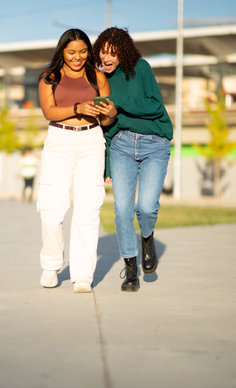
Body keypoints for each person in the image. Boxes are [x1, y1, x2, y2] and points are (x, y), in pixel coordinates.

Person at [93, 27, 173, 292]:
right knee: (121, 210)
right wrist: (106, 164)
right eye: (103, 52)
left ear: (123, 52)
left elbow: (154, 106)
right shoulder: (100, 79)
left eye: (113, 53)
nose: (107, 58)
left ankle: (147, 237)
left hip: (154, 144)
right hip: (122, 146)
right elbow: (105, 128)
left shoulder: (142, 68)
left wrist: (120, 103)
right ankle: (130, 270)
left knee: (147, 208)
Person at [37, 28, 116, 293]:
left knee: (88, 208)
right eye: (71, 52)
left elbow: (105, 120)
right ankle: (51, 264)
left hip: (91, 142)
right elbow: (48, 111)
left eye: (83, 51)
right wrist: (76, 108)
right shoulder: (50, 77)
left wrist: (110, 113)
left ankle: (83, 275)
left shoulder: (97, 76)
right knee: (50, 207)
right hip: (59, 141)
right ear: (62, 51)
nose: (77, 57)